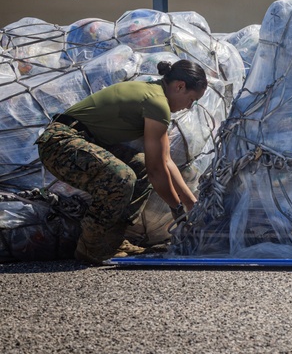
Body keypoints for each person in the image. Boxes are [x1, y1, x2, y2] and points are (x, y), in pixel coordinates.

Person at [35, 60, 208, 264]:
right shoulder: (157, 103)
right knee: (121, 177)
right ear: (180, 86)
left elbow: (165, 161)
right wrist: (177, 210)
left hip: (82, 141)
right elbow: (157, 170)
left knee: (140, 167)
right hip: (60, 143)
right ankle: (91, 248)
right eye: (191, 99)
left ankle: (113, 241)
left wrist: (190, 204)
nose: (189, 106)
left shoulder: (154, 94)